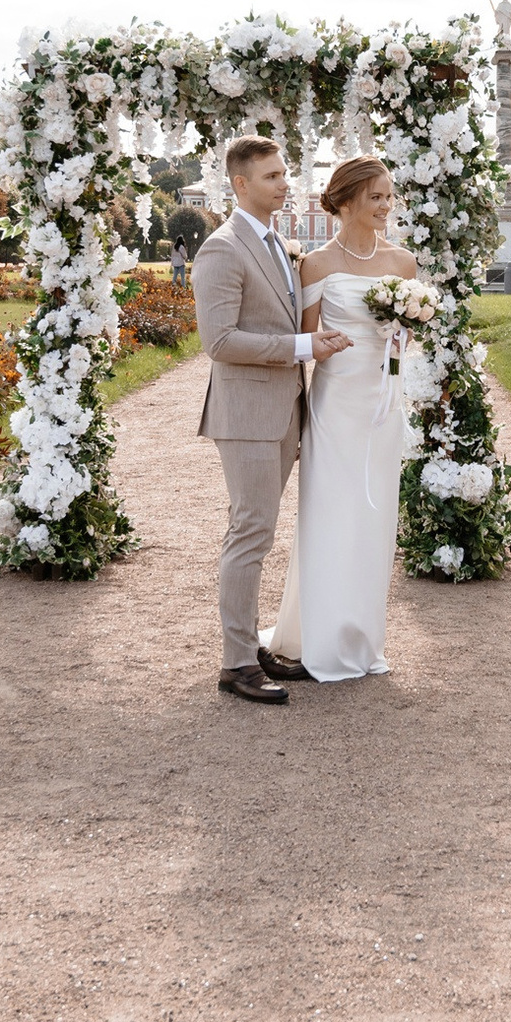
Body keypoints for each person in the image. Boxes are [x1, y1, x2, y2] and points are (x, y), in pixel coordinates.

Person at [191, 137, 352, 705]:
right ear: (240, 183)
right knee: (251, 532)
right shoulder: (222, 249)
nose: (285, 184)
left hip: (286, 409)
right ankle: (236, 664)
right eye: (271, 176)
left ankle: (249, 644)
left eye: (285, 173)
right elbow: (220, 341)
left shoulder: (278, 242)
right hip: (248, 415)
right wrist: (304, 346)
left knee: (262, 532)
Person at [261, 155, 416, 684]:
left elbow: (406, 340)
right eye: (375, 196)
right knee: (328, 517)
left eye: (389, 196)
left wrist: (402, 335)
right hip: (333, 408)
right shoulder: (318, 265)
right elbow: (305, 344)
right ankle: (317, 640)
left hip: (382, 407)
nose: (385, 206)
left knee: (373, 521)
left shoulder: (404, 265)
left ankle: (360, 638)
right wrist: (321, 354)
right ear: (346, 201)